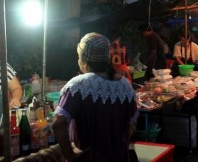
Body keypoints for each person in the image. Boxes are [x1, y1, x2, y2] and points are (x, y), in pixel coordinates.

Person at [52, 32, 138, 162]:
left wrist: (70, 155)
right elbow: (131, 126)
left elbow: (58, 125)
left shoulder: (78, 85)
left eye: (79, 56)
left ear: (84, 59)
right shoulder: (124, 85)